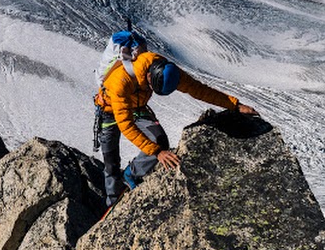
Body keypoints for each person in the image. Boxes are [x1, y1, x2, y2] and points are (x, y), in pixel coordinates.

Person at [94, 30, 258, 206]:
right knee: (111, 162)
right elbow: (125, 124)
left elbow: (198, 89)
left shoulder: (165, 70)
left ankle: (131, 174)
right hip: (109, 111)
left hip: (137, 107)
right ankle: (112, 201)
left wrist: (235, 105)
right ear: (150, 77)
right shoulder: (121, 81)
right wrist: (156, 153)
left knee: (159, 140)